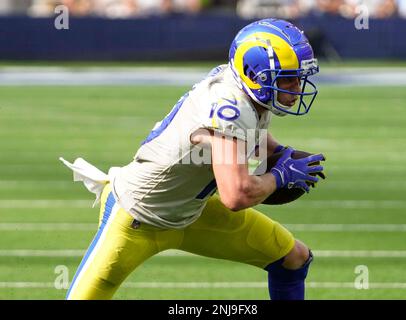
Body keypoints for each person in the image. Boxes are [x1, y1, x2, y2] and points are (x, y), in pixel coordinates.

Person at [62, 18, 325, 300]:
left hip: (192, 211)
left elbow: (250, 138)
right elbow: (236, 195)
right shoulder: (230, 107)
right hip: (137, 216)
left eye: (298, 77)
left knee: (293, 259)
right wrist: (280, 176)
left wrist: (280, 153)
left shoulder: (247, 93)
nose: (296, 87)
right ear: (254, 73)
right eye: (288, 78)